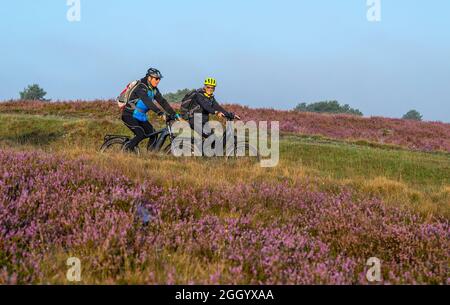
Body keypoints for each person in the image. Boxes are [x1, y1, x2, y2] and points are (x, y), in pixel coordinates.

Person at [121, 68, 179, 151]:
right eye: (156, 79)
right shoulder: (141, 87)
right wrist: (159, 113)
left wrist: (174, 114)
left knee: (153, 134)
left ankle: (150, 154)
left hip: (141, 117)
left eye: (159, 79)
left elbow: (163, 102)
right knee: (140, 134)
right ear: (149, 78)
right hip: (129, 115)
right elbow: (147, 101)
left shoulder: (154, 90)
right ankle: (126, 152)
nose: (158, 81)